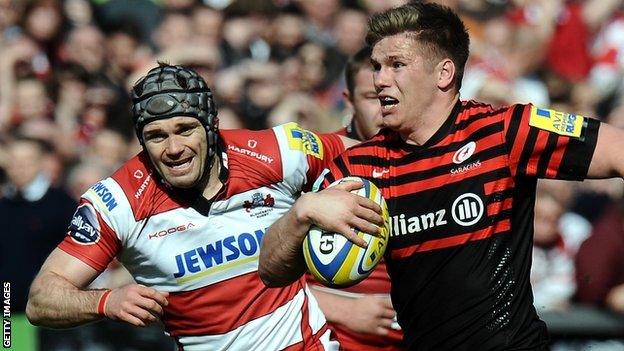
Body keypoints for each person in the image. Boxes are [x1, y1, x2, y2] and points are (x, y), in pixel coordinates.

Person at [258, 3, 624, 350]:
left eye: (396, 65)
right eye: (376, 66)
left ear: (444, 73)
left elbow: (616, 150)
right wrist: (301, 213)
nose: (380, 80)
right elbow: (270, 272)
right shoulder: (359, 166)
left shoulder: (504, 132)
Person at [26, 63, 356, 350]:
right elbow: (40, 300)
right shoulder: (117, 201)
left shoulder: (277, 152)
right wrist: (105, 301)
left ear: (211, 126)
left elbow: (363, 154)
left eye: (185, 130)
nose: (173, 148)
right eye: (156, 136)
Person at [307, 46, 404, 351]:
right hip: (335, 339)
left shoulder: (432, 160)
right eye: (372, 97)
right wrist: (340, 307)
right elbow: (255, 271)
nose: (384, 105)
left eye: (392, 93)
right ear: (348, 101)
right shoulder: (312, 164)